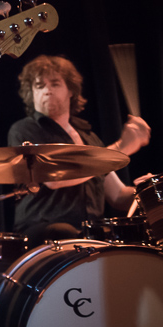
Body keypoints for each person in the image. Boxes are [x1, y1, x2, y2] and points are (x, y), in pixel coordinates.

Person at [8, 54, 151, 243]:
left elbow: (117, 195)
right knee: (64, 231)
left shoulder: (89, 137)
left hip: (87, 233)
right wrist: (119, 150)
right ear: (31, 94)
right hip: (43, 230)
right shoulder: (25, 129)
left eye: (55, 84)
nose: (47, 91)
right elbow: (54, 179)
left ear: (71, 91)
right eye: (39, 86)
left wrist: (150, 190)